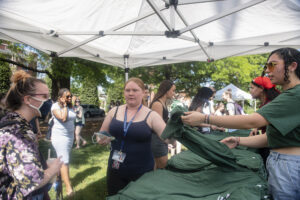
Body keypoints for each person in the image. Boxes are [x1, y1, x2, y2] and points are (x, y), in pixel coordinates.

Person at [181, 47, 300, 200]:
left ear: (292, 66)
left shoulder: (295, 95)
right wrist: (238, 140)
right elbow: (273, 138)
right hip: (285, 163)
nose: (267, 71)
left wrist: (205, 118)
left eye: (272, 65)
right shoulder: (291, 95)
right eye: (266, 66)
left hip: (288, 166)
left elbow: (253, 121)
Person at [98, 77, 167, 196]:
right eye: (127, 90)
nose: (131, 93)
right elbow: (102, 132)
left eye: (135, 90)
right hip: (115, 168)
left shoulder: (151, 115)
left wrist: (177, 132)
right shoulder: (114, 111)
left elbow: (168, 136)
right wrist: (102, 138)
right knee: (116, 197)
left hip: (142, 171)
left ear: (143, 92)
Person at [0, 70, 62, 199]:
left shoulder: (12, 122)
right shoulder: (18, 132)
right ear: (28, 99)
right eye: (44, 96)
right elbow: (32, 181)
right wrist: (52, 169)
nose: (49, 101)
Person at [249, 76, 280, 165]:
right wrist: (257, 127)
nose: (250, 90)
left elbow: (251, 122)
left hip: (273, 149)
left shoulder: (270, 105)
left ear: (261, 88)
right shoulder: (267, 104)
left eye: (252, 87)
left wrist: (208, 118)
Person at [51, 88, 76, 196]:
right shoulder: (55, 106)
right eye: (67, 97)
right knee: (64, 160)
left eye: (70, 96)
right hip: (60, 137)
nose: (70, 98)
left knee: (63, 159)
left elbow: (72, 120)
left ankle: (57, 179)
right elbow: (63, 118)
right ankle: (68, 188)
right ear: (61, 97)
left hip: (69, 137)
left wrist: (74, 135)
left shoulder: (70, 106)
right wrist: (65, 105)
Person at [150, 80, 176, 169]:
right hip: (157, 140)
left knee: (157, 168)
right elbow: (158, 127)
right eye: (173, 90)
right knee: (162, 168)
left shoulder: (163, 103)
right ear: (167, 90)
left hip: (161, 139)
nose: (174, 93)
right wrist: (170, 141)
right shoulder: (157, 104)